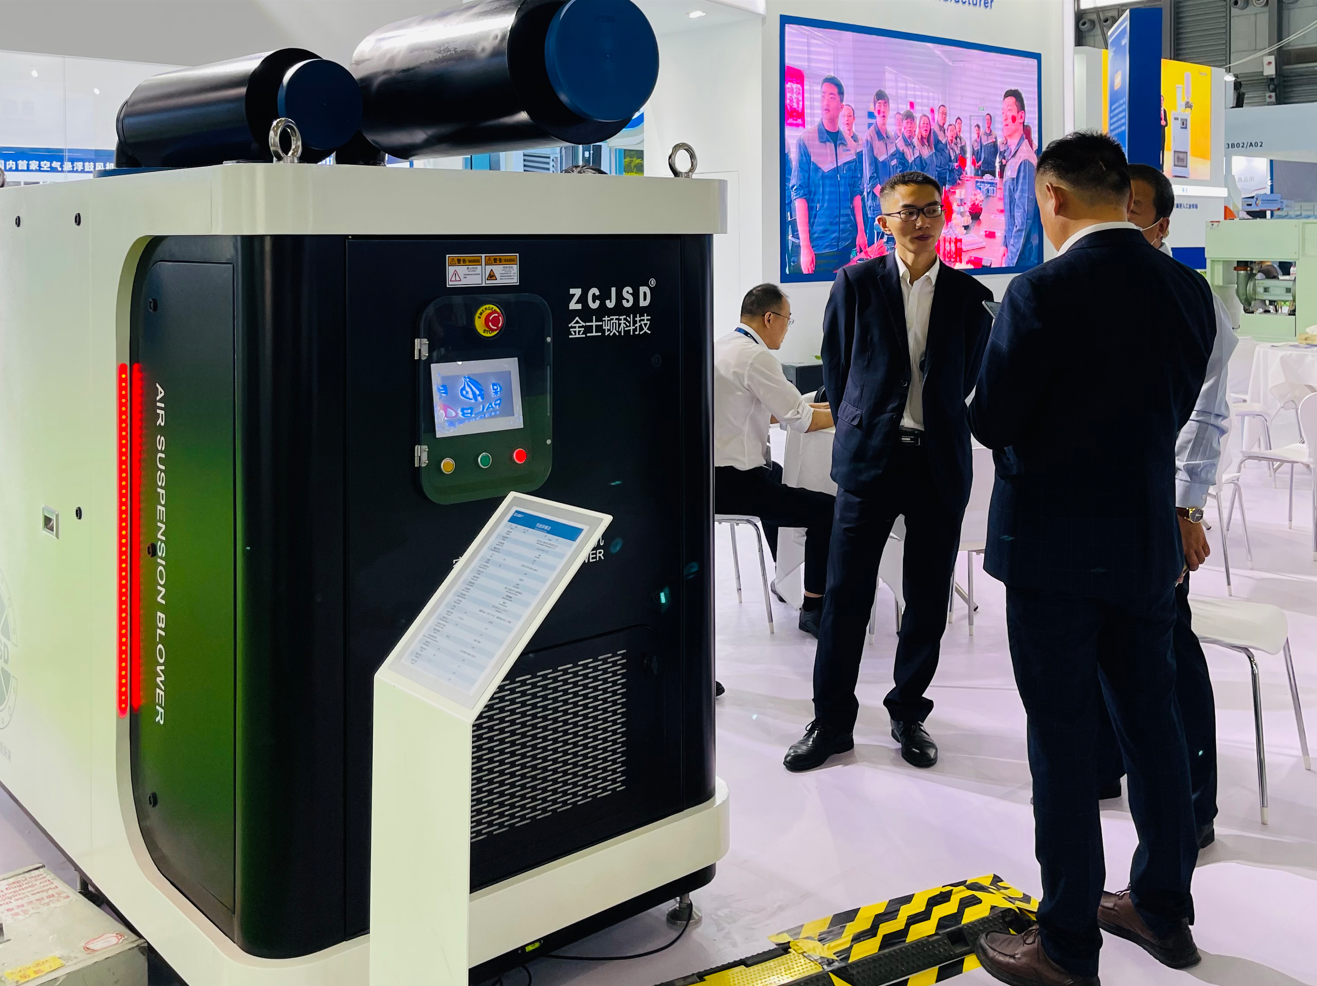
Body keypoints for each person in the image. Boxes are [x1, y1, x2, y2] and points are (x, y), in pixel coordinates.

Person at [968, 132, 1214, 986]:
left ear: (1052, 196)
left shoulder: (1040, 291)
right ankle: (1162, 910)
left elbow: (991, 419)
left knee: (1064, 744)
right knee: (1153, 728)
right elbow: (1176, 404)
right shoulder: (1185, 289)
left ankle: (1067, 945)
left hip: (1050, 555)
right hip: (1143, 544)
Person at [783, 171, 993, 773]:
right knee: (846, 596)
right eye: (907, 212)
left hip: (937, 461)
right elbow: (839, 368)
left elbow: (967, 377)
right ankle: (831, 723)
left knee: (926, 599)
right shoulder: (854, 284)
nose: (920, 221)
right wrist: (868, 421)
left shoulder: (970, 296)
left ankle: (908, 712)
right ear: (884, 222)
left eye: (930, 210)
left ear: (943, 215)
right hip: (870, 460)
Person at [1095, 163, 1238, 850]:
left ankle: (1193, 802)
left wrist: (1185, 509)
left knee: (1168, 652)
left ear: (1160, 224)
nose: (1120, 216)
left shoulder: (1190, 298)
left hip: (1156, 505)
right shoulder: (1083, 286)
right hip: (1087, 506)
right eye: (1112, 203)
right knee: (1093, 641)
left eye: (1135, 207)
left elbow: (1206, 415)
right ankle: (1104, 767)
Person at [715, 284, 836, 637]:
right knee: (827, 511)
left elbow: (771, 411)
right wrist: (854, 413)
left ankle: (784, 577)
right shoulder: (757, 357)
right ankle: (813, 607)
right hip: (735, 485)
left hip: (709, 479)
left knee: (780, 476)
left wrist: (829, 407)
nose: (787, 327)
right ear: (769, 318)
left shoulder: (722, 347)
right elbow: (801, 420)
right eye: (787, 319)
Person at [790, 75, 867, 276]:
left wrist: (861, 231)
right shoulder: (806, 142)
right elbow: (800, 195)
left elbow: (856, 192)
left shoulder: (850, 145)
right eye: (823, 95)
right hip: (819, 245)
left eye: (832, 97)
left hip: (847, 241)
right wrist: (805, 247)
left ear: (841, 106)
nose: (826, 101)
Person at [1000, 89, 1042, 269]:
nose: (1004, 116)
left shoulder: (1024, 160)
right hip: (1015, 252)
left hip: (1023, 259)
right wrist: (1004, 243)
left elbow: (1023, 221)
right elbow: (1011, 212)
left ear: (1021, 116)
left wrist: (1010, 264)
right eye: (1002, 112)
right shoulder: (1012, 157)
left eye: (1009, 111)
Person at [862, 89, 900, 242]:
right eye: (879, 105)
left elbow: (895, 171)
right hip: (877, 207)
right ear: (874, 110)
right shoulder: (869, 137)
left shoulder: (891, 138)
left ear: (889, 109)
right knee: (875, 249)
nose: (882, 109)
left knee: (891, 246)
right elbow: (871, 180)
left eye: (885, 105)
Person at [932, 104, 953, 189]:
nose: (944, 116)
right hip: (938, 174)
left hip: (944, 172)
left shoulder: (944, 130)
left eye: (945, 114)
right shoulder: (934, 131)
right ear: (938, 115)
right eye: (942, 113)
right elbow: (932, 152)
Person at [980, 112, 999, 178]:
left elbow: (996, 150)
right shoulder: (982, 135)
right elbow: (980, 150)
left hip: (992, 167)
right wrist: (982, 160)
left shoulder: (994, 135)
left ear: (991, 122)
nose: (987, 121)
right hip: (983, 166)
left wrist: (993, 160)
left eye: (988, 120)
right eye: (986, 120)